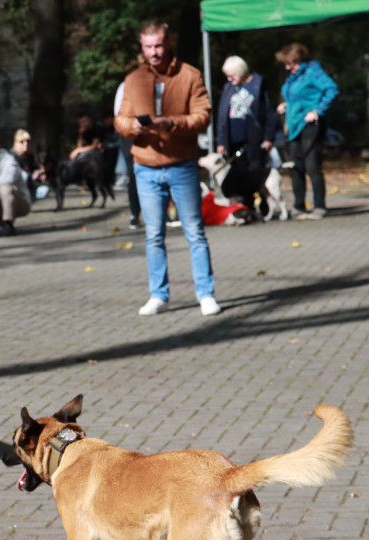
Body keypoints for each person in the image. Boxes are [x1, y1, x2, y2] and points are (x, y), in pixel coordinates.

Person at [115, 20, 220, 317]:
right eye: (148, 47)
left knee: (195, 232)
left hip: (181, 165)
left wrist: (172, 123)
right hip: (145, 166)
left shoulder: (190, 75)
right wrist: (132, 126)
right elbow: (120, 119)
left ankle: (206, 294)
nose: (153, 53)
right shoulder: (133, 79)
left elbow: (203, 116)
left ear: (168, 43)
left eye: (158, 46)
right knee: (153, 235)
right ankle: (158, 294)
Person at [275, 42, 339, 220]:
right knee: (296, 167)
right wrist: (287, 105)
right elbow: (295, 96)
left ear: (300, 60)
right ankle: (299, 206)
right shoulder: (293, 76)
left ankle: (319, 206)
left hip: (311, 126)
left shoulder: (313, 72)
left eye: (291, 64)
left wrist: (317, 110)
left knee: (312, 166)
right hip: (294, 125)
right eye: (286, 64)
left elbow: (331, 89)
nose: (288, 67)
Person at [215, 56, 277, 171]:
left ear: (242, 72)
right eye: (227, 76)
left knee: (256, 174)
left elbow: (269, 113)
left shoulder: (258, 85)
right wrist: (221, 142)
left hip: (255, 140)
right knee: (237, 175)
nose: (229, 79)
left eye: (232, 75)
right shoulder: (228, 88)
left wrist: (269, 137)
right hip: (233, 141)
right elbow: (222, 117)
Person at [114, 81, 141, 230]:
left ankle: (165, 214)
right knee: (133, 175)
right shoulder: (125, 86)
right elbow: (118, 115)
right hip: (130, 137)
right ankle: (134, 214)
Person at [11, 128, 38, 198]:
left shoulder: (29, 156)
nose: (26, 143)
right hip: (15, 188)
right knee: (24, 175)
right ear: (15, 143)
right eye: (22, 141)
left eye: (28, 141)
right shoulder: (11, 156)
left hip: (29, 186)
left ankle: (27, 202)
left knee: (44, 189)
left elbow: (34, 170)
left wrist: (38, 173)